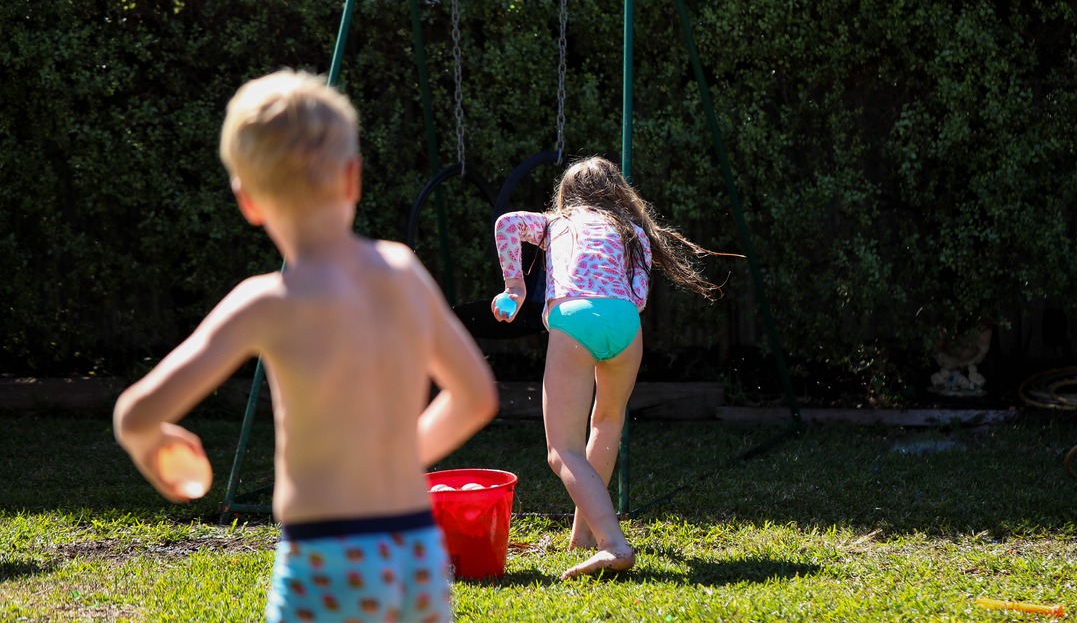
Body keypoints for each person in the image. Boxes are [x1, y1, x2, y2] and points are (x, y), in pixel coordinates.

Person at [114, 70, 499, 622]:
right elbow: (476, 397)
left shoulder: (264, 303)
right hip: (415, 548)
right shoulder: (403, 271)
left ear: (247, 200)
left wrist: (158, 447)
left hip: (328, 553)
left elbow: (134, 414)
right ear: (353, 178)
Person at [491, 156, 721, 579]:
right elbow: (637, 292)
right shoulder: (632, 231)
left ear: (567, 195)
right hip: (627, 326)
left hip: (576, 319)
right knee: (607, 424)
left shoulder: (555, 222)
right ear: (618, 193)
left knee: (562, 450)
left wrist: (514, 287)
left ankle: (613, 544)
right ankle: (584, 537)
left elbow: (506, 224)